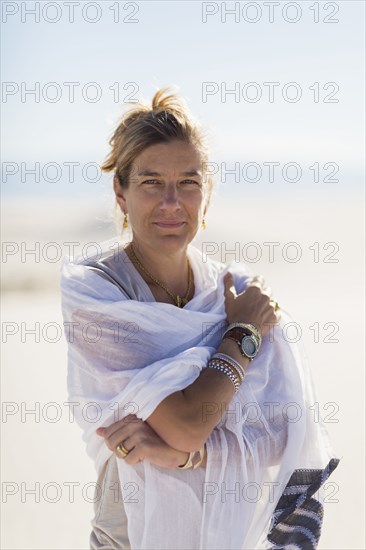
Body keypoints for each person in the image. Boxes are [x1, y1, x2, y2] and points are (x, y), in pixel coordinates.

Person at [60, 87, 339, 550]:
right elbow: (190, 423)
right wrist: (242, 334)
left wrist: (184, 455)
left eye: (188, 182)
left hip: (226, 531)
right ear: (120, 191)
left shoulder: (232, 288)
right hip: (129, 533)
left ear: (206, 195)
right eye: (151, 182)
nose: (172, 202)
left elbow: (284, 432)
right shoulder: (95, 290)